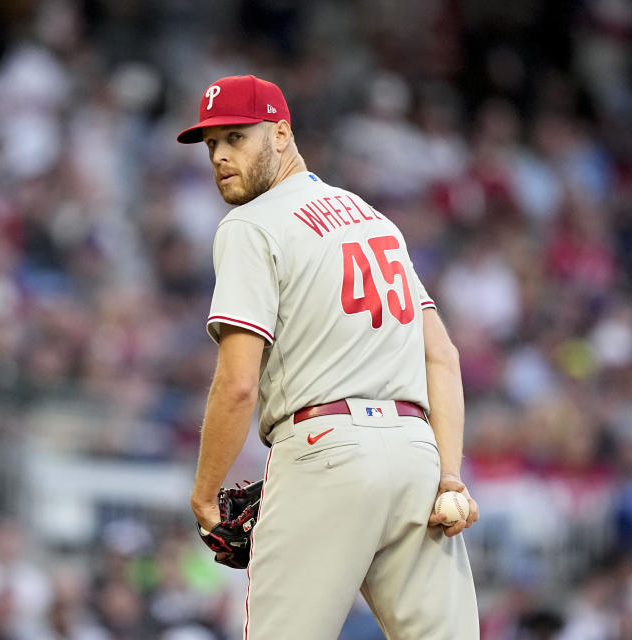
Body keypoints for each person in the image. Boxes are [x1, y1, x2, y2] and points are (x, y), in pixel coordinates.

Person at [177, 75, 480, 639]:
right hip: (416, 458)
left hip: (325, 452)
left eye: (236, 138)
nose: (219, 156)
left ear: (282, 134)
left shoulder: (250, 224)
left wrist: (203, 495)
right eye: (211, 144)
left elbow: (238, 385)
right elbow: (442, 355)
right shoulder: (370, 217)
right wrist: (450, 477)